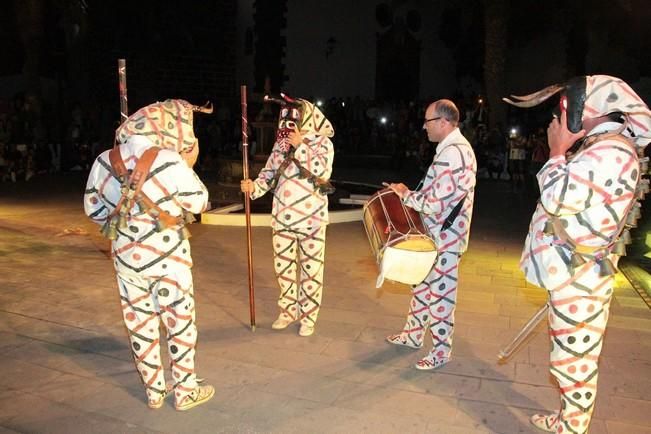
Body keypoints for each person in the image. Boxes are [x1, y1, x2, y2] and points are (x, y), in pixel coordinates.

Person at [503, 75, 651, 433]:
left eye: (567, 106)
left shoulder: (612, 152)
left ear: (590, 109)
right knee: (568, 359)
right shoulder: (604, 146)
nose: (560, 114)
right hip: (575, 275)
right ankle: (566, 421)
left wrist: (556, 151)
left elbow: (559, 198)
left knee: (574, 365)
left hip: (580, 280)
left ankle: (572, 428)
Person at [84, 99, 215, 411]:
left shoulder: (105, 160)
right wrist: (189, 164)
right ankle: (185, 391)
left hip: (127, 258)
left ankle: (154, 391)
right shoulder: (170, 160)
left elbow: (93, 210)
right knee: (179, 321)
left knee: (139, 321)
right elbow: (200, 203)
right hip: (170, 258)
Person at [384, 99, 477, 370]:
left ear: (444, 122)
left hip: (445, 240)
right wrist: (411, 192)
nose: (424, 127)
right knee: (422, 287)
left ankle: (440, 351)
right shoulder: (450, 149)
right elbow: (438, 192)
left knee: (441, 296)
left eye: (428, 121)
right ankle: (413, 335)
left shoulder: (454, 153)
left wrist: (406, 195)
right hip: (438, 237)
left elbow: (436, 203)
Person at [241, 93, 335, 337]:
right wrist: (254, 187)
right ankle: (287, 310)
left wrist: (301, 145)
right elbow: (269, 173)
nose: (286, 126)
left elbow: (321, 172)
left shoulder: (323, 144)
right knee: (284, 269)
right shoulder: (281, 145)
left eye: (292, 120)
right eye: (284, 120)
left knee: (311, 270)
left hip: (312, 220)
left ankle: (308, 316)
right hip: (282, 216)